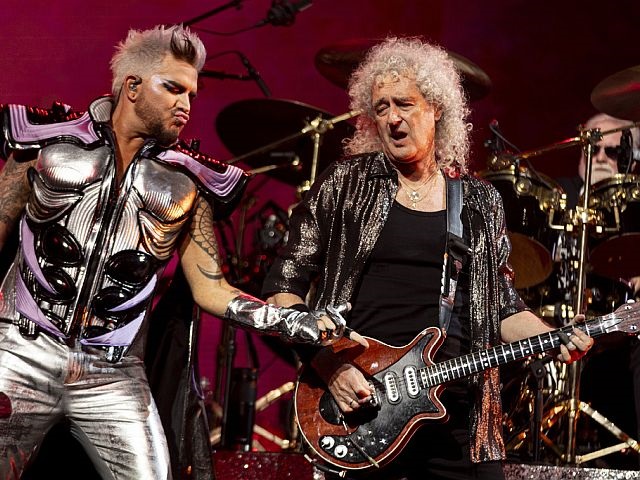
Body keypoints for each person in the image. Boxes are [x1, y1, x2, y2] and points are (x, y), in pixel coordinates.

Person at [0, 24, 360, 479]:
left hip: (112, 372)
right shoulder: (43, 142)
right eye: (173, 88)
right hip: (20, 347)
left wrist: (293, 321)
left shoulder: (190, 184)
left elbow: (212, 290)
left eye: (191, 93)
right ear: (132, 87)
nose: (186, 105)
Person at [262, 37, 593, 479]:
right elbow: (283, 287)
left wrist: (554, 337)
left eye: (405, 104)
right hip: (363, 410)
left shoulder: (478, 201)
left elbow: (502, 307)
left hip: (457, 416)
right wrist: (328, 364)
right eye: (381, 108)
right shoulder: (345, 183)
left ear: (436, 108)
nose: (393, 118)